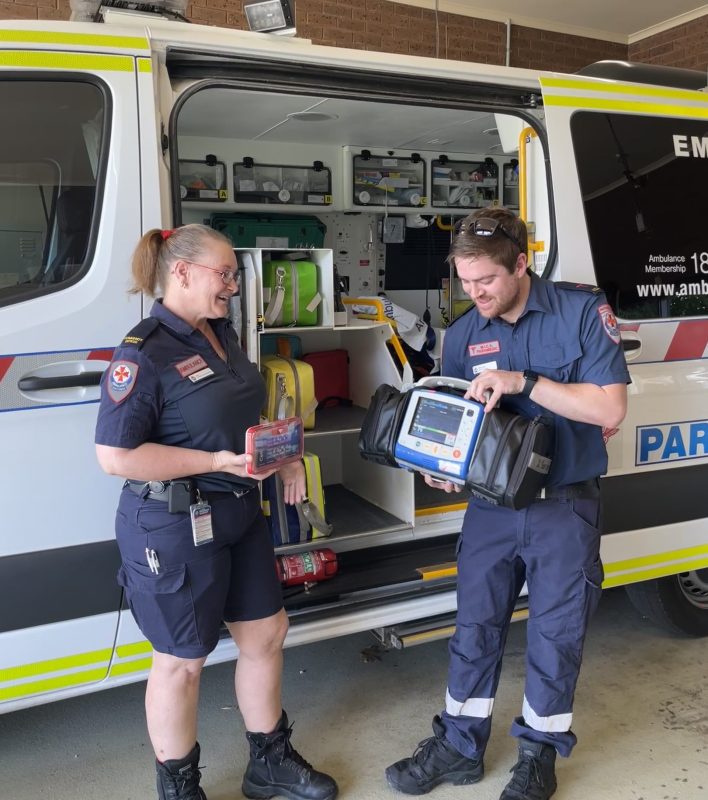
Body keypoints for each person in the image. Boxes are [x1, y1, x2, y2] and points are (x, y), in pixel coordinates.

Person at [385, 207, 629, 800]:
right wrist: (447, 470)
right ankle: (459, 745)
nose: (476, 294)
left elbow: (609, 409)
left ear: (520, 264)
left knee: (555, 632)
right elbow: (461, 423)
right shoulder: (464, 334)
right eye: (465, 283)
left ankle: (538, 756)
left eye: (486, 281)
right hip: (491, 511)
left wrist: (524, 381)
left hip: (562, 508)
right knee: (474, 627)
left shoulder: (580, 313)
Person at [95, 224, 338, 800]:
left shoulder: (222, 333)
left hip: (236, 511)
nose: (233, 284)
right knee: (182, 661)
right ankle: (180, 789)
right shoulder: (144, 352)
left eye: (235, 274)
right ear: (182, 272)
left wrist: (283, 458)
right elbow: (115, 457)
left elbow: (238, 416)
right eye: (225, 273)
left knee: (266, 634)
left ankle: (269, 762)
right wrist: (213, 460)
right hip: (174, 525)